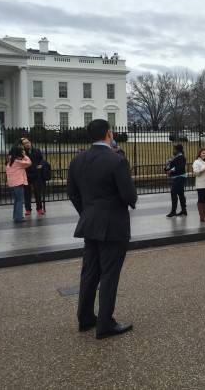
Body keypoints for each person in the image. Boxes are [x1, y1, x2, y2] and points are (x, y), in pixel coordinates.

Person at [67, 119, 138, 339]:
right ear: (109, 133)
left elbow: (73, 193)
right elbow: (129, 196)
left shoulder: (77, 160)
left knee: (89, 273)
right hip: (113, 226)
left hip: (90, 223)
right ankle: (105, 323)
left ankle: (85, 318)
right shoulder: (117, 161)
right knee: (109, 275)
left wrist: (87, 213)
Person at [5, 144, 31, 223]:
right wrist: (24, 155)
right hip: (18, 182)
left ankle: (16, 216)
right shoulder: (17, 161)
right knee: (20, 200)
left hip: (12, 183)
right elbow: (29, 163)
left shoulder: (9, 160)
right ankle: (18, 217)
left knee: (16, 200)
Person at [20, 137, 44, 215]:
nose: (26, 144)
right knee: (27, 193)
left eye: (27, 142)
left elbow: (41, 160)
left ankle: (39, 208)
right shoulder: (22, 153)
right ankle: (28, 209)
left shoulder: (37, 151)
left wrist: (41, 165)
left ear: (30, 142)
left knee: (37, 192)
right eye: (24, 144)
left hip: (35, 174)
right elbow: (13, 149)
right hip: (26, 175)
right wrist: (19, 139)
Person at [164, 144, 187, 218]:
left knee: (173, 193)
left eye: (174, 149)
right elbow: (171, 166)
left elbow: (181, 167)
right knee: (180, 194)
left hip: (180, 177)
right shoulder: (175, 158)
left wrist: (171, 170)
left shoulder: (181, 157)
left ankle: (173, 211)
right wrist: (167, 168)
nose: (173, 151)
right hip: (177, 177)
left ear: (178, 150)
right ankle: (184, 210)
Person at [193, 147, 205, 222]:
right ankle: (202, 216)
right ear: (199, 153)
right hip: (201, 184)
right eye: (203, 153)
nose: (204, 154)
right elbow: (196, 172)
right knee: (201, 200)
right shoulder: (196, 162)